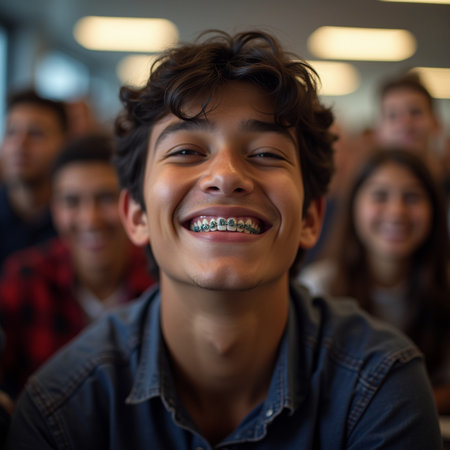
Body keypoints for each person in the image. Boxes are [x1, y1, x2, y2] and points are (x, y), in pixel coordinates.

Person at [5, 30, 442, 449]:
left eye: (266, 154)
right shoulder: (62, 405)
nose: (226, 176)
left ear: (311, 217)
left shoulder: (381, 385)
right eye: (187, 152)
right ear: (136, 215)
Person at [0, 133, 155, 400]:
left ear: (132, 205)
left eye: (106, 198)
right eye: (72, 201)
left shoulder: (161, 280)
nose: (90, 219)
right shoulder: (24, 277)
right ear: (54, 209)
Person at [299, 148, 450, 414]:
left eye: (412, 197)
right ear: (354, 205)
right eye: (380, 196)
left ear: (434, 209)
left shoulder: (445, 286)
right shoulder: (318, 288)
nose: (396, 212)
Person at [0, 89, 69, 270]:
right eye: (11, 132)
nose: (20, 143)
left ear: (64, 144)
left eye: (36, 133)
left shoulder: (73, 223)